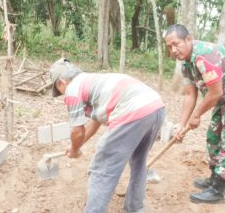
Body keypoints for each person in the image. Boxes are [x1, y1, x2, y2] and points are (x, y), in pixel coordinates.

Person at [164, 24, 225, 204]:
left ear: (189, 39)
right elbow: (190, 94)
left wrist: (197, 115)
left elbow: (215, 93)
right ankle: (213, 178)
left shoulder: (204, 55)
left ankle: (218, 189)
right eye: (169, 47)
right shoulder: (185, 63)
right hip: (224, 94)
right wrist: (182, 123)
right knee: (213, 135)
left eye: (176, 44)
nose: (173, 50)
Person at [49, 58, 165, 213]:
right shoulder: (92, 80)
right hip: (156, 108)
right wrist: (75, 146)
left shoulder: (72, 89)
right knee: (139, 162)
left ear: (61, 83)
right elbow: (94, 123)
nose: (62, 94)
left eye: (59, 90)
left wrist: (75, 149)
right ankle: (135, 208)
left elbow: (77, 131)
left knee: (101, 170)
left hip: (133, 112)